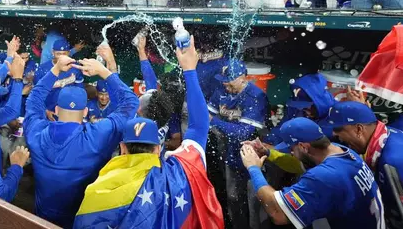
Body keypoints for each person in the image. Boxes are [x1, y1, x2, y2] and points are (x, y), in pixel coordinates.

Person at [74, 41, 224, 228]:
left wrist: (111, 67)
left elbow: (126, 100)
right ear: (158, 148)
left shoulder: (100, 188)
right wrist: (189, 70)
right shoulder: (178, 175)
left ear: (122, 147)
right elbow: (199, 126)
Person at [23, 49, 139, 227]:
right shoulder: (97, 135)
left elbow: (34, 99)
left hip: (42, 220)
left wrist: (55, 70)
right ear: (85, 112)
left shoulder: (37, 133)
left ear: (55, 111)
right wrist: (104, 71)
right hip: (82, 221)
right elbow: (131, 102)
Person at [241, 117, 385, 229]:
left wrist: (253, 168)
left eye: (291, 148)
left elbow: (277, 213)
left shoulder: (324, 177)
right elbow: (298, 164)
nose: (291, 152)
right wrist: (267, 152)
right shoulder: (340, 150)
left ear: (303, 146)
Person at [320, 101, 403, 228]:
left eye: (338, 129)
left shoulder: (392, 161)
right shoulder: (385, 137)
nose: (334, 134)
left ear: (359, 129)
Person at [207, 59, 268, 229]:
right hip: (230, 153)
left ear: (243, 78)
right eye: (223, 80)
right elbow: (207, 114)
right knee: (233, 198)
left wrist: (215, 123)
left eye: (229, 80)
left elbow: (243, 133)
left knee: (255, 204)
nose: (225, 84)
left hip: (254, 156)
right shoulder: (221, 89)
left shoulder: (255, 96)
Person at [32, 38, 84, 115]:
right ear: (53, 52)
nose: (61, 57)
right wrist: (45, 110)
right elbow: (36, 94)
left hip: (69, 110)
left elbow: (80, 92)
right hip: (48, 110)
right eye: (58, 54)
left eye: (64, 54)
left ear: (69, 53)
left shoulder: (76, 67)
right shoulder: (42, 69)